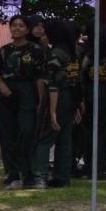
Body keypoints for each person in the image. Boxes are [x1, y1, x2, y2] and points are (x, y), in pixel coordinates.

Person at [0, 13, 46, 189]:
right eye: (14, 25)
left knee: (26, 132)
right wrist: (2, 85)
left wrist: (40, 100)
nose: (17, 28)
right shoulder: (3, 51)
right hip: (7, 93)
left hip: (28, 92)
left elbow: (40, 77)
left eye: (21, 25)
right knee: (8, 134)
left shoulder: (35, 50)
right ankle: (12, 173)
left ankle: (28, 172)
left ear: (27, 29)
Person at [34, 19, 81, 189]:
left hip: (58, 97)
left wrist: (52, 111)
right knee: (65, 139)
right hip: (71, 98)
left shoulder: (56, 53)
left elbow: (54, 84)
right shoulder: (73, 52)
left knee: (45, 137)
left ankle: (39, 177)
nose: (45, 34)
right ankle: (63, 178)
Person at [78, 25, 106, 179]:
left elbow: (82, 77)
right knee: (103, 131)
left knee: (90, 132)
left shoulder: (88, 56)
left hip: (90, 94)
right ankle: (97, 167)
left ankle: (91, 165)